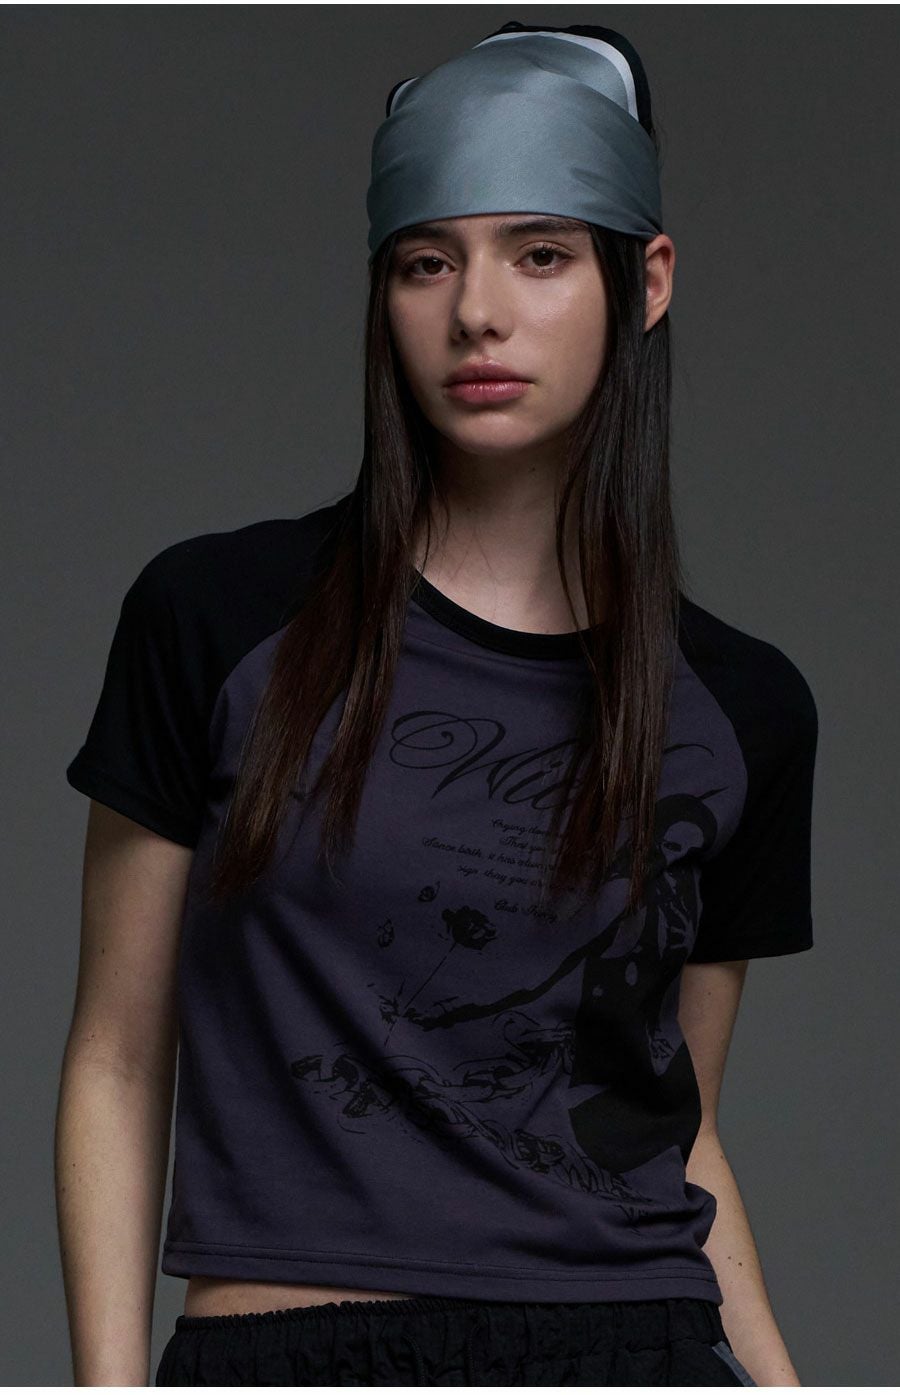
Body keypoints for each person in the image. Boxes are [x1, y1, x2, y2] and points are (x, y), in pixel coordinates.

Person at [56, 17, 817, 1387]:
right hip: (292, 1348)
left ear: (645, 281)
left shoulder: (740, 706)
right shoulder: (217, 618)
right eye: (427, 262)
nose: (478, 311)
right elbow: (115, 1058)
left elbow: (677, 1126)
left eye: (540, 254)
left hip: (636, 1347)